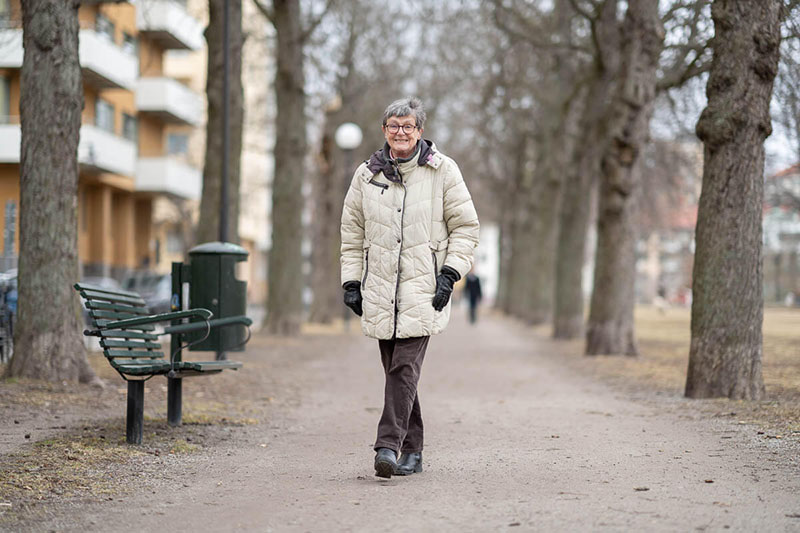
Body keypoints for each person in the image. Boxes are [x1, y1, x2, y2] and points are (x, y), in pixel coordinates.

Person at [340, 97, 480, 478]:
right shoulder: (366, 174)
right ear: (384, 130)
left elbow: (466, 228)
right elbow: (352, 233)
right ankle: (413, 453)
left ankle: (387, 446)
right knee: (398, 373)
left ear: (420, 131)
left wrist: (450, 274)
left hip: (424, 287)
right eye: (393, 126)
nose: (400, 133)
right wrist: (352, 281)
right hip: (381, 290)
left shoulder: (443, 171)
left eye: (408, 126)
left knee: (403, 368)